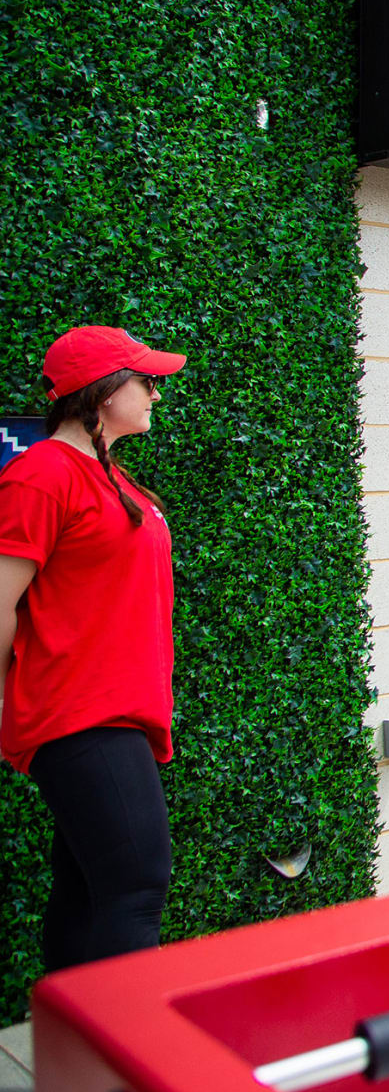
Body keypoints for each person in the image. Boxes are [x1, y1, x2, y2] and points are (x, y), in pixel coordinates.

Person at [0, 326, 188, 970]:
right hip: (78, 710)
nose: (155, 392)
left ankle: (73, 1059)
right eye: (144, 379)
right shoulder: (43, 474)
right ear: (101, 392)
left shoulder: (106, 473)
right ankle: (122, 1065)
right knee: (137, 885)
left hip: (115, 709)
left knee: (87, 893)